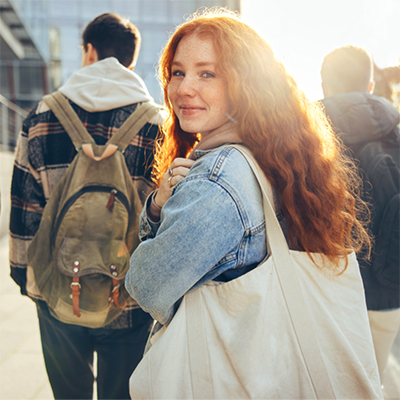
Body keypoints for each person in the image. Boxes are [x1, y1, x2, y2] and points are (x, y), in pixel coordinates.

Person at [125, 8, 381, 397]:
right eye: (177, 72)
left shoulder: (218, 178)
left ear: (245, 83)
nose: (183, 89)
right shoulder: (273, 154)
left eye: (206, 73)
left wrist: (155, 211)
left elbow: (146, 286)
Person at [9, 13, 163, 400]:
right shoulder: (155, 122)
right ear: (129, 59)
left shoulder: (43, 115)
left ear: (89, 51)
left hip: (58, 287)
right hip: (126, 293)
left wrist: (25, 276)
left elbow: (23, 206)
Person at [320, 45, 400, 388]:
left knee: (323, 382)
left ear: (323, 86)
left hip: (324, 285)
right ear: (369, 86)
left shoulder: (304, 136)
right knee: (374, 380)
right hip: (389, 284)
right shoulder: (396, 131)